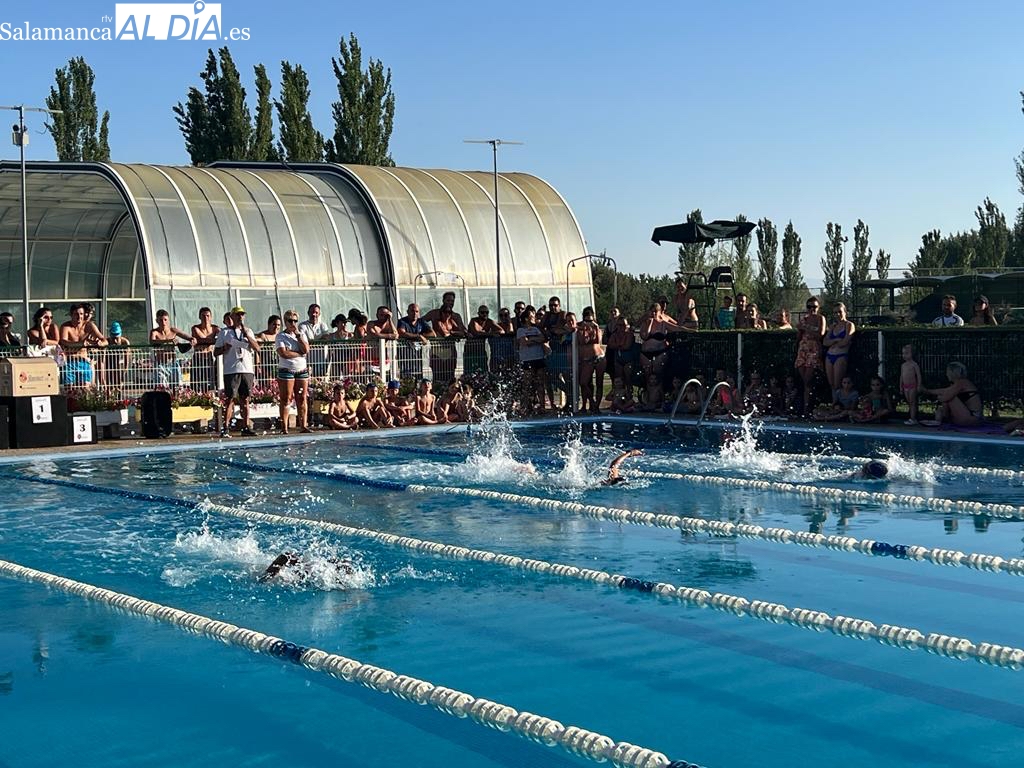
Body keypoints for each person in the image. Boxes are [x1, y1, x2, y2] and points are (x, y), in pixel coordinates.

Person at [214, 306, 260, 437]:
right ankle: (226, 427)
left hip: (246, 369)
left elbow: (257, 348)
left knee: (245, 399)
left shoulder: (248, 331)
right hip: (231, 369)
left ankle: (245, 426)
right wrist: (225, 347)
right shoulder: (225, 333)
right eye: (238, 315)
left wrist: (247, 337)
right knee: (230, 399)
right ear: (232, 317)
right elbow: (215, 352)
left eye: (242, 315)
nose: (240, 317)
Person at [276, 310, 311, 434]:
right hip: (287, 369)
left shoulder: (301, 334)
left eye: (295, 321)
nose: (293, 323)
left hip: (301, 369)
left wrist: (298, 336)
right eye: (290, 321)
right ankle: (284, 426)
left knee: (302, 398)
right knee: (287, 398)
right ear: (285, 322)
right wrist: (299, 353)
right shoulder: (281, 336)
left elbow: (306, 349)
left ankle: (303, 425)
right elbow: (283, 353)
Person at [922, 361, 982, 426]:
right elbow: (944, 391)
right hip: (967, 417)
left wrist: (931, 393)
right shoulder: (956, 384)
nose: (946, 374)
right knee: (941, 408)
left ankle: (941, 419)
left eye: (947, 372)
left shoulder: (962, 382)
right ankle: (938, 421)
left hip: (971, 418)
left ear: (953, 372)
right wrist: (927, 391)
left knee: (949, 397)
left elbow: (945, 395)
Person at [795, 297, 826, 414]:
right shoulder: (804, 319)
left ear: (818, 308)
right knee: (805, 381)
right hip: (803, 349)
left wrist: (806, 328)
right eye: (809, 307)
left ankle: (807, 408)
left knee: (808, 379)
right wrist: (800, 329)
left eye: (814, 307)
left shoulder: (820, 318)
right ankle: (805, 407)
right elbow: (798, 337)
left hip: (813, 350)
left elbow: (820, 334)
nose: (812, 309)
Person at [516, 305, 548, 415]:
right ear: (526, 318)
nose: (533, 317)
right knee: (527, 384)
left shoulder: (536, 329)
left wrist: (531, 340)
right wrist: (535, 340)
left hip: (538, 358)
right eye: (531, 316)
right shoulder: (520, 330)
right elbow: (524, 342)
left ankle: (542, 406)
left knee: (540, 383)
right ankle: (525, 406)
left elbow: (542, 339)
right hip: (527, 359)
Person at [149, 309, 192, 388]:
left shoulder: (173, 330)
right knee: (161, 387)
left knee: (178, 387)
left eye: (165, 320)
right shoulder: (154, 332)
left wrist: (192, 339)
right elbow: (152, 341)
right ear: (157, 321)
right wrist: (168, 341)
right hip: (160, 364)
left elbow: (185, 335)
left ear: (168, 320)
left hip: (172, 362)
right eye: (161, 320)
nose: (163, 322)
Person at [61, 304, 102, 386]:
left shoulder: (89, 325)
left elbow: (104, 340)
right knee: (70, 390)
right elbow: (63, 341)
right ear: (71, 314)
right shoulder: (66, 326)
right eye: (76, 314)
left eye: (81, 314)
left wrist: (99, 343)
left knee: (85, 388)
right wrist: (81, 344)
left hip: (84, 361)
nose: (79, 316)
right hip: (70, 362)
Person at [259, 552, 354, 583]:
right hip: (306, 568)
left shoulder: (326, 575)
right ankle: (264, 578)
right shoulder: (319, 570)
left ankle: (264, 578)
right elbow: (285, 555)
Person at [823, 302, 855, 391]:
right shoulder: (833, 326)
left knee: (838, 384)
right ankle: (834, 403)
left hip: (841, 355)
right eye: (835, 312)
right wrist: (836, 340)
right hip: (829, 356)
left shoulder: (849, 325)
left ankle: (840, 403)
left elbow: (845, 342)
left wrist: (832, 342)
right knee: (831, 384)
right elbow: (825, 342)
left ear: (845, 312)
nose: (837, 314)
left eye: (839, 312)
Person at [577, 306, 603, 413]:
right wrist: (584, 328)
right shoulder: (580, 327)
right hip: (586, 358)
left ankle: (596, 405)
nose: (589, 322)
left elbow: (598, 340)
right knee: (584, 382)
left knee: (599, 382)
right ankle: (590, 402)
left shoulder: (596, 328)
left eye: (590, 320)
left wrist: (595, 328)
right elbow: (582, 341)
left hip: (598, 356)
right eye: (587, 319)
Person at [430, 305, 464, 384]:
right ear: (441, 313)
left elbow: (461, 333)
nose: (447, 314)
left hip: (450, 353)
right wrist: (454, 334)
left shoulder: (451, 322)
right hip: (437, 354)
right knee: (438, 376)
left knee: (450, 376)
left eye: (449, 312)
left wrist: (452, 332)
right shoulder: (437, 322)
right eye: (445, 312)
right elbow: (445, 334)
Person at [190, 307, 220, 392]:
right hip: (198, 357)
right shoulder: (195, 328)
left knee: (211, 379)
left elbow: (222, 335)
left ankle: (209, 396)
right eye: (203, 316)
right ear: (199, 317)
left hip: (209, 357)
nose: (205, 318)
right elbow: (202, 338)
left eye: (207, 316)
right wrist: (214, 340)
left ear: (211, 317)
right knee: (196, 380)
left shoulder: (214, 328)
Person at [299, 303, 331, 377]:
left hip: (321, 360)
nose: (314, 314)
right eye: (312, 312)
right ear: (308, 313)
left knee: (320, 381)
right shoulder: (302, 325)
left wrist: (310, 342)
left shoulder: (323, 325)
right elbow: (303, 340)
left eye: (316, 312)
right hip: (307, 360)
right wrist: (320, 340)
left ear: (319, 314)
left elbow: (326, 338)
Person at [466, 305, 500, 374]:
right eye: (482, 312)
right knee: (469, 372)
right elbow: (476, 332)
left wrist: (488, 333)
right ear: (478, 313)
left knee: (483, 370)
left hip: (481, 351)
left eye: (486, 312)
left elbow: (501, 331)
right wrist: (490, 334)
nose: (484, 314)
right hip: (470, 351)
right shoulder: (473, 320)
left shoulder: (489, 321)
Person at [899, 344, 923, 425]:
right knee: (909, 402)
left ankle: (913, 419)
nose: (904, 355)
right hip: (905, 386)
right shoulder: (903, 365)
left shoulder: (914, 365)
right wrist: (901, 387)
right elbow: (901, 376)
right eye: (903, 353)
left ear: (912, 354)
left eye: (906, 353)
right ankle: (913, 417)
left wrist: (919, 385)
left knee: (912, 402)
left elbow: (919, 376)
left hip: (913, 386)